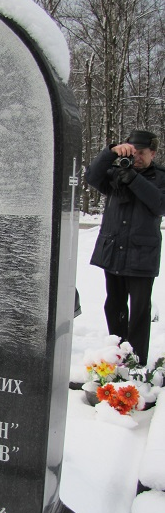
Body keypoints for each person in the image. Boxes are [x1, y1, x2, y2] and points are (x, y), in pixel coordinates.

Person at [85, 129, 165, 365]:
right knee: (114, 304)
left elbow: (159, 205)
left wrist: (133, 177)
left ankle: (137, 362)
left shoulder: (160, 177)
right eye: (133, 152)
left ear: (153, 152)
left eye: (142, 153)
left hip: (142, 255)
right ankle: (117, 355)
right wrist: (110, 152)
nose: (137, 157)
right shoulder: (116, 171)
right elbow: (91, 176)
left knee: (139, 311)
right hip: (114, 250)